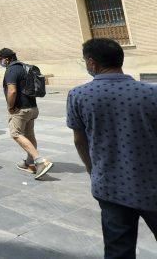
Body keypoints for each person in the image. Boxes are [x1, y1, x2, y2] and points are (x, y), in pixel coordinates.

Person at [67, 38, 157, 257]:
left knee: (118, 248)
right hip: (152, 183)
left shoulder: (78, 95)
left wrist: (91, 168)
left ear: (92, 62)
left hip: (110, 185)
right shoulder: (151, 93)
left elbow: (80, 140)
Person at [0, 47, 53, 179]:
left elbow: (12, 91)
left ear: (6, 59)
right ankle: (29, 163)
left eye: (0, 59)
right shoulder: (24, 67)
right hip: (32, 107)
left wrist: (10, 107)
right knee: (29, 135)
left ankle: (40, 161)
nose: (0, 62)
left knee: (15, 134)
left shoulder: (11, 70)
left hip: (20, 109)